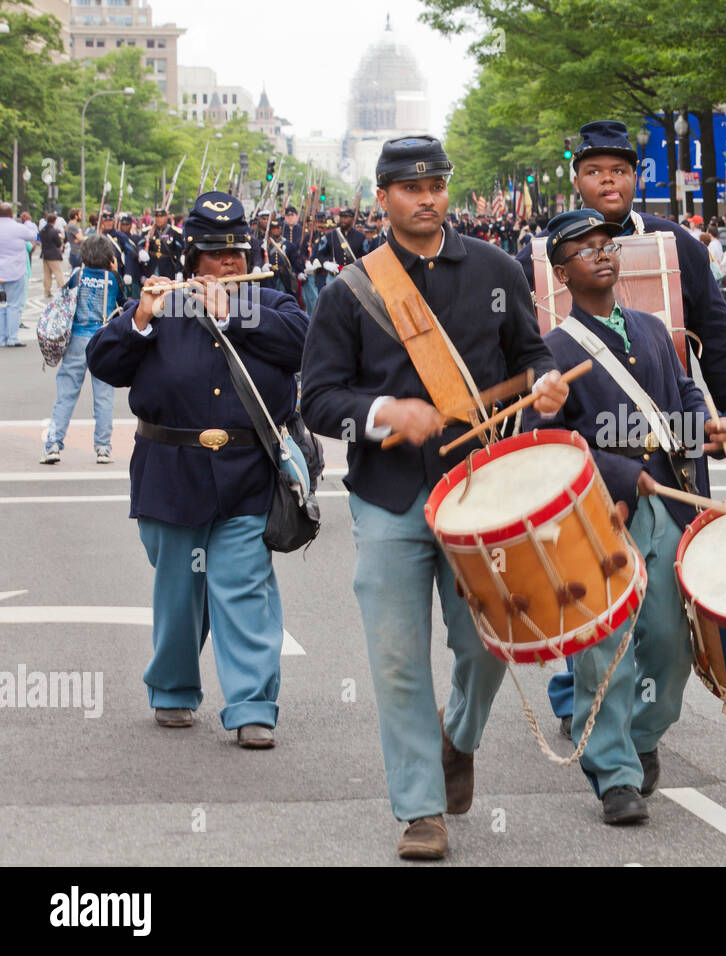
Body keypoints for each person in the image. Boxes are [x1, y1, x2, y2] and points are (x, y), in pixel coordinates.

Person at [300, 136, 568, 861]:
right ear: (382, 197)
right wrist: (385, 413)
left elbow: (531, 355)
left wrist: (544, 386)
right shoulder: (352, 289)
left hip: (481, 492)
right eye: (410, 187)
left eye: (437, 184)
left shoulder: (497, 268)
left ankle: (461, 737)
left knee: (490, 644)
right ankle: (420, 809)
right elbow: (318, 399)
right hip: (389, 498)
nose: (427, 197)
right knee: (395, 657)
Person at [515, 120, 726, 736]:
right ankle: (586, 708)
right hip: (595, 458)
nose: (608, 180)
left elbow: (713, 335)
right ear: (577, 180)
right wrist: (538, 396)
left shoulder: (677, 243)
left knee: (667, 611)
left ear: (638, 178)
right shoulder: (538, 253)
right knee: (596, 610)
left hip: (671, 448)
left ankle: (630, 724)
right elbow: (523, 356)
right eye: (594, 171)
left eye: (621, 170)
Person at [521, 209, 726, 824]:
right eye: (584, 250)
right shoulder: (552, 350)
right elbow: (549, 440)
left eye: (605, 244)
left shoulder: (651, 328)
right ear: (562, 275)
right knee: (602, 651)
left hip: (666, 502)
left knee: (671, 644)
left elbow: (683, 396)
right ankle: (613, 772)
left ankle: (642, 736)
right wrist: (618, 473)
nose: (601, 253)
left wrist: (707, 424)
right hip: (597, 517)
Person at [85, 191, 309, 750]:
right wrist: (138, 316)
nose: (229, 263)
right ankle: (174, 689)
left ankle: (253, 704)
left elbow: (305, 345)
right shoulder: (162, 307)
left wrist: (233, 315)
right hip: (170, 470)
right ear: (191, 259)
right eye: (214, 253)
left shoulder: (273, 305)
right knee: (178, 591)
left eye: (236, 251)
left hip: (247, 473)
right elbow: (104, 362)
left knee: (244, 588)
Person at [40, 234, 121, 465]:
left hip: (77, 337)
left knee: (66, 394)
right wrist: (114, 269)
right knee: (104, 395)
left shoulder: (78, 275)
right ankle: (103, 447)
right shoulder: (113, 279)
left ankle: (53, 443)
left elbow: (64, 300)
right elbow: (123, 302)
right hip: (102, 339)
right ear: (109, 257)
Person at [0, 202, 39, 347]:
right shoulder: (18, 228)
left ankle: (1, 339)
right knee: (14, 306)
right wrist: (28, 222)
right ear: (11, 214)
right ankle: (12, 338)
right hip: (14, 272)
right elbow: (35, 236)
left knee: (1, 306)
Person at [38, 213, 65, 298]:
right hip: (53, 254)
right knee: (58, 273)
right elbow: (58, 243)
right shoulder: (53, 231)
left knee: (47, 274)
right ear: (54, 221)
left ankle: (47, 291)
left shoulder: (42, 230)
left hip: (45, 254)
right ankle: (62, 290)